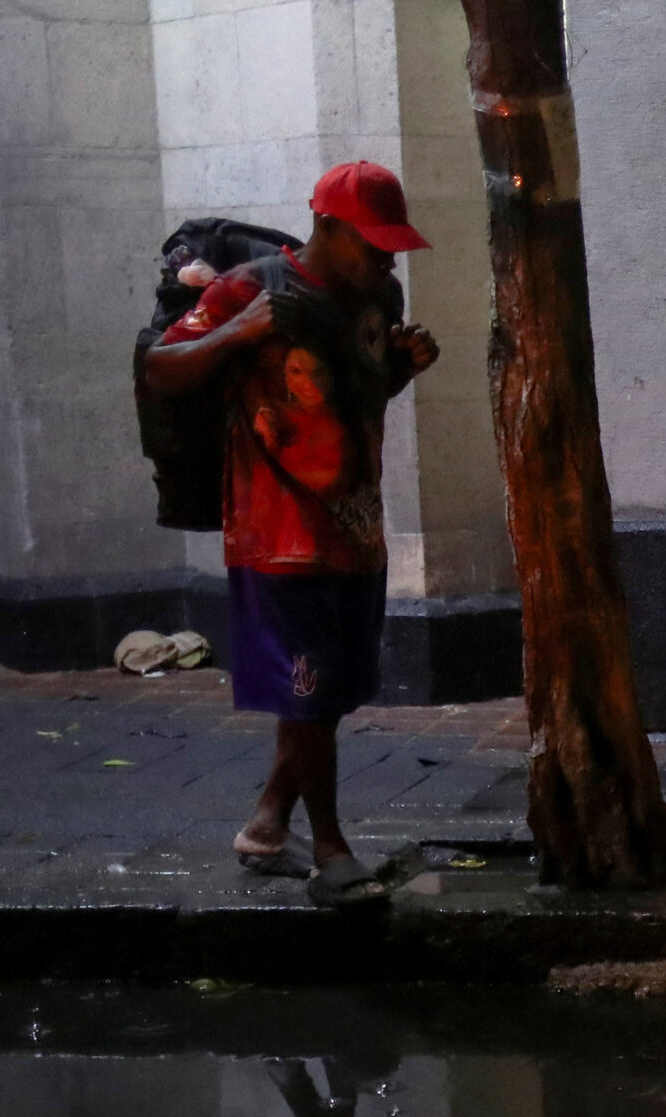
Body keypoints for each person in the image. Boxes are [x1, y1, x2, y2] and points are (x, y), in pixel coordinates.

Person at [137, 161, 440, 906]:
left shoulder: (379, 297)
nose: (388, 259)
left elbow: (356, 395)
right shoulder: (252, 289)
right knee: (307, 691)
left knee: (328, 691)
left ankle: (268, 826)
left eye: (394, 246)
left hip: (353, 523)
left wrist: (401, 370)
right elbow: (160, 368)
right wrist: (236, 331)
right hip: (277, 532)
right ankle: (331, 851)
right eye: (375, 242)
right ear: (328, 226)